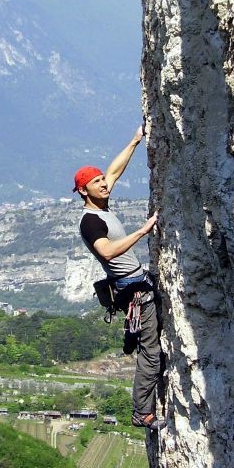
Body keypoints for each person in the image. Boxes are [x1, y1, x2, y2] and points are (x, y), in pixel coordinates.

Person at [73, 125, 165, 430]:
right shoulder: (90, 222)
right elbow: (108, 252)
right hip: (132, 288)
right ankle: (142, 413)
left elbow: (115, 170)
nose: (104, 184)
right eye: (96, 183)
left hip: (136, 282)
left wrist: (135, 141)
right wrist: (142, 231)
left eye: (102, 180)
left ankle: (130, 335)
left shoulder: (101, 202)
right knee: (150, 355)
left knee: (147, 344)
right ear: (84, 191)